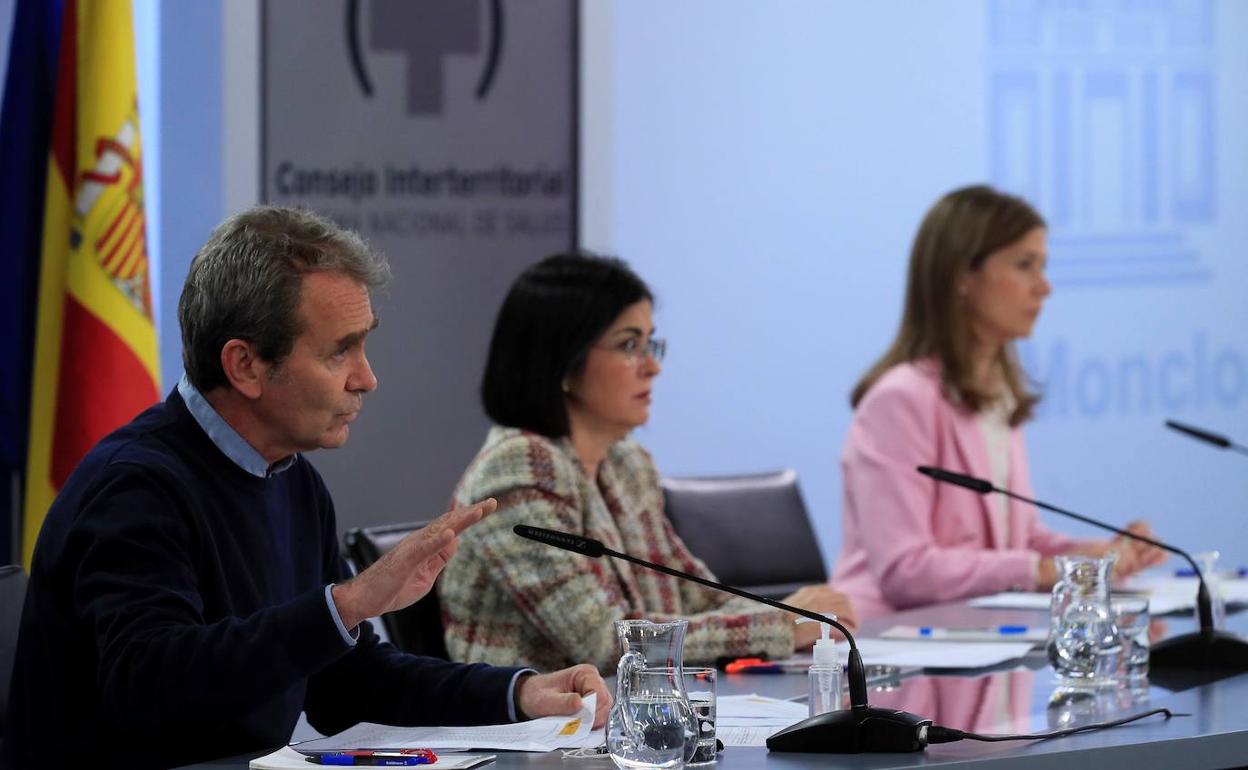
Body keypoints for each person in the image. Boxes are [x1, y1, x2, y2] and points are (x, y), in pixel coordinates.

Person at [3, 207, 610, 770]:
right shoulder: (135, 488)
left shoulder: (293, 480)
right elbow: (150, 688)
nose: (367, 378)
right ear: (245, 365)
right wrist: (345, 606)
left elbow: (345, 682)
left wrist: (519, 692)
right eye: (340, 352)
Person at [438, 253, 855, 673]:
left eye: (649, 344)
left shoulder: (626, 464)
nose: (652, 367)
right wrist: (780, 626)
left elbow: (696, 596)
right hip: (541, 712)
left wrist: (799, 617)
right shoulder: (518, 472)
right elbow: (602, 641)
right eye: (629, 346)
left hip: (626, 704)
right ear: (563, 359)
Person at [830, 185, 1166, 619]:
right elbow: (905, 570)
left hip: (975, 632)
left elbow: (1016, 543)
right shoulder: (899, 400)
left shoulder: (997, 394)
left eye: (1043, 266)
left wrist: (1097, 556)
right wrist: (1043, 569)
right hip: (888, 638)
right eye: (1024, 265)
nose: (1044, 288)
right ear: (962, 276)